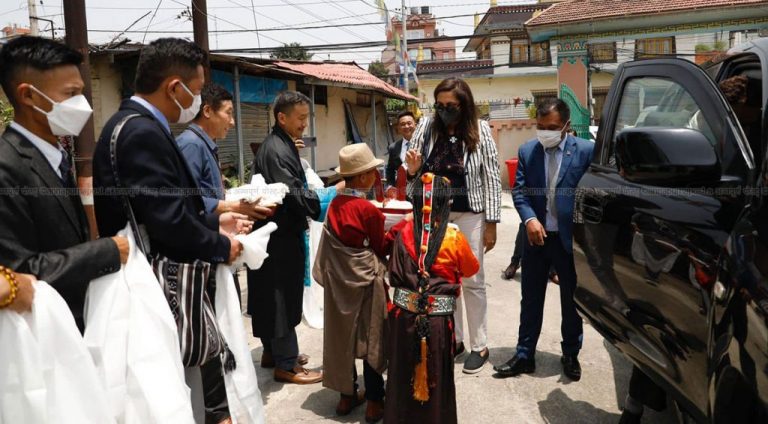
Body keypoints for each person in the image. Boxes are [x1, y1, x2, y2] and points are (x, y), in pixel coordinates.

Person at [93, 38, 247, 424]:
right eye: (195, 92)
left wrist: (213, 220)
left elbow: (161, 208)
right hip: (154, 283)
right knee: (166, 388)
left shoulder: (132, 124)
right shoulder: (141, 132)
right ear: (174, 88)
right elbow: (167, 221)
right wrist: (219, 244)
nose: (196, 102)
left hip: (153, 275)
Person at [0, 36, 129, 332]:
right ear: (28, 96)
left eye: (81, 93)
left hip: (73, 327)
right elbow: (18, 272)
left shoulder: (55, 155)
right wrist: (105, 252)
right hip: (39, 338)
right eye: (70, 94)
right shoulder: (6, 165)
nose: (81, 106)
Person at [405, 77, 502, 373]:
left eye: (452, 106)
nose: (445, 110)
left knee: (473, 279)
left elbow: (492, 177)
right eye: (440, 105)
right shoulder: (425, 128)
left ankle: (480, 344)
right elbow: (412, 172)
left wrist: (492, 222)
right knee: (444, 281)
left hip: (471, 213)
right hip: (435, 215)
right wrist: (412, 169)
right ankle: (456, 339)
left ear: (464, 105)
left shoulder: (480, 130)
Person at [494, 98, 594, 382]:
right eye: (540, 126)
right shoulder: (528, 151)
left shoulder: (586, 151)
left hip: (569, 241)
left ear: (566, 126)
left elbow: (594, 193)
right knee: (531, 299)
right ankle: (525, 355)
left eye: (551, 127)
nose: (545, 132)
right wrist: (529, 219)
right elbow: (520, 191)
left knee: (570, 301)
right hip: (536, 240)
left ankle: (571, 353)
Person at [313, 143, 407, 423]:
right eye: (373, 171)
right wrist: (402, 226)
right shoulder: (368, 210)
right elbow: (381, 247)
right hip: (366, 279)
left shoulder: (335, 205)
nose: (376, 175)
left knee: (341, 337)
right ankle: (374, 402)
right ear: (364, 177)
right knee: (371, 338)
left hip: (339, 280)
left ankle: (346, 396)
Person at [385, 173, 479, 424]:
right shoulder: (454, 237)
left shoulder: (402, 230)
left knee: (402, 374)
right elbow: (471, 269)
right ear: (446, 204)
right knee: (436, 380)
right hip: (437, 324)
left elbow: (387, 256)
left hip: (404, 318)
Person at [248, 91, 328, 385]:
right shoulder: (277, 150)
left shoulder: (281, 145)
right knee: (281, 296)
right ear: (282, 118)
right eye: (301, 118)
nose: (304, 124)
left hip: (278, 234)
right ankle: (286, 364)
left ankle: (273, 352)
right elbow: (294, 193)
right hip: (278, 237)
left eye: (306, 118)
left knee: (273, 294)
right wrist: (320, 203)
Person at [177, 82, 274, 220]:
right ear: (207, 111)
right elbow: (186, 199)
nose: (232, 122)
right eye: (228, 113)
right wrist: (234, 207)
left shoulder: (204, 144)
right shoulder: (191, 145)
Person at [385, 111, 417, 197]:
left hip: (419, 192)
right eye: (402, 124)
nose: (406, 126)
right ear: (398, 128)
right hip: (400, 192)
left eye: (409, 123)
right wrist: (390, 186)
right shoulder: (393, 147)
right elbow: (390, 169)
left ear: (415, 125)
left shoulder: (424, 145)